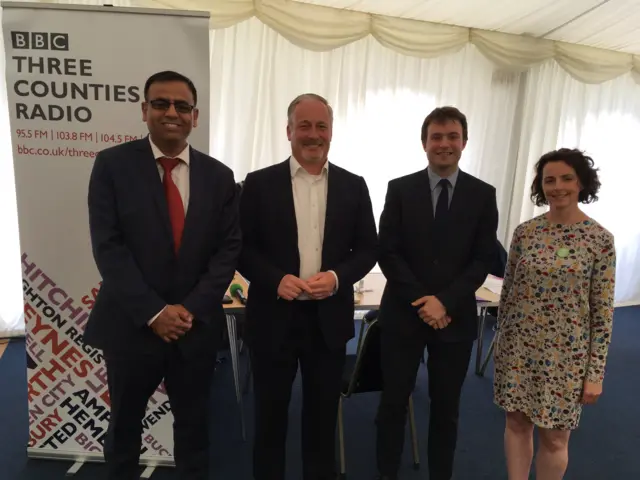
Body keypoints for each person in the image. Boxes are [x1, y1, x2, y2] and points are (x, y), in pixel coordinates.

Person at [85, 70, 241, 480]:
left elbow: (227, 251)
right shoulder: (111, 165)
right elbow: (108, 246)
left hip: (195, 327)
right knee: (124, 428)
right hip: (132, 325)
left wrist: (188, 309)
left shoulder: (219, 176)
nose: (172, 112)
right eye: (161, 103)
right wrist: (156, 312)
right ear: (144, 110)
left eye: (182, 106)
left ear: (195, 116)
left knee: (194, 429)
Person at [238, 93, 378, 480]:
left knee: (321, 421)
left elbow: (368, 248)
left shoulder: (354, 185)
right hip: (272, 319)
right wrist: (273, 279)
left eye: (321, 126)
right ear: (288, 131)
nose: (313, 134)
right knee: (270, 419)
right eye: (305, 126)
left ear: (331, 132)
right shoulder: (259, 183)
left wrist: (336, 278)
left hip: (327, 323)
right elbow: (240, 248)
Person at [375, 106, 499, 480]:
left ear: (464, 141)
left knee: (446, 408)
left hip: (455, 318)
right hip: (403, 315)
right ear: (424, 143)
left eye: (452, 137)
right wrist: (424, 301)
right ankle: (386, 473)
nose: (444, 144)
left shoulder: (482, 194)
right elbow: (388, 251)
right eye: (437, 137)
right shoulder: (400, 189)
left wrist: (444, 300)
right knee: (393, 403)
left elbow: (483, 258)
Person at [493, 148, 616, 480]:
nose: (557, 186)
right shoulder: (526, 233)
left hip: (566, 355)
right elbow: (509, 294)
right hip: (519, 348)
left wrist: (595, 373)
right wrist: (500, 346)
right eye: (550, 180)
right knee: (516, 423)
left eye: (567, 178)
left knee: (554, 436)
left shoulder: (599, 240)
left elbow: (603, 314)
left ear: (581, 183)